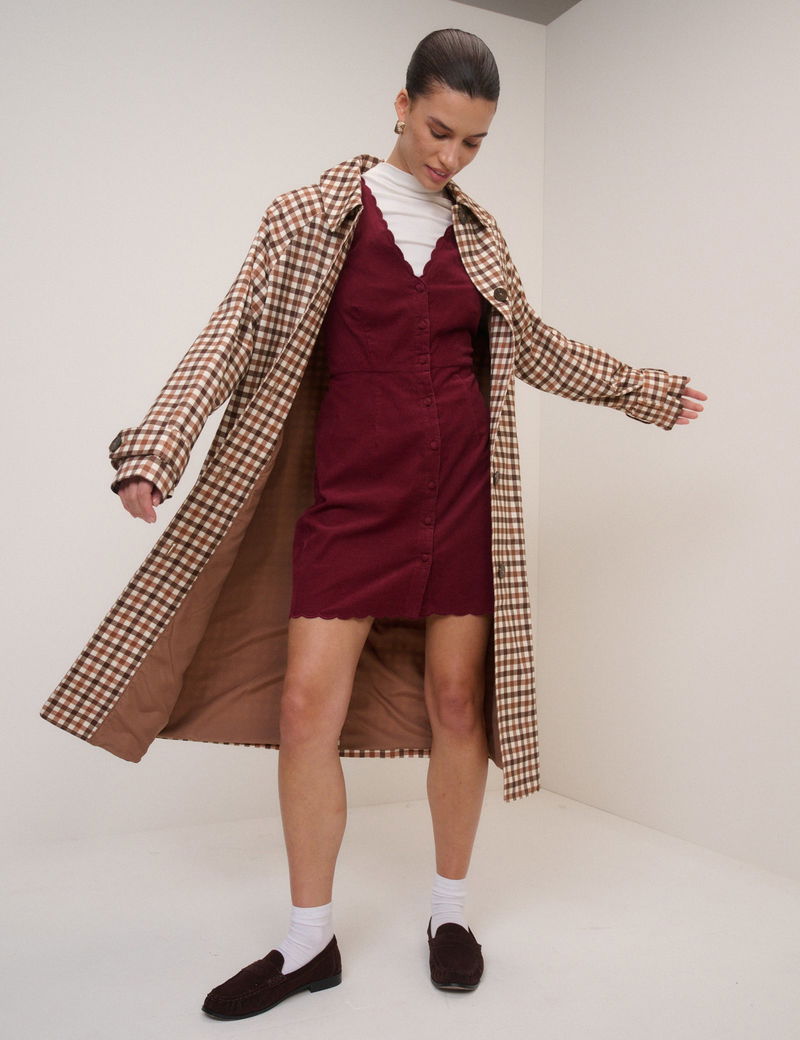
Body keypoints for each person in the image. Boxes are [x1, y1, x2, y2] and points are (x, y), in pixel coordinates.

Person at [43, 28, 706, 1020]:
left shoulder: (480, 238)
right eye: (438, 130)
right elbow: (229, 335)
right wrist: (155, 448)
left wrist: (641, 389)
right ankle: (308, 940)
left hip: (460, 498)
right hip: (352, 501)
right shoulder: (309, 216)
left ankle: (449, 914)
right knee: (303, 708)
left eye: (473, 142)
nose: (451, 157)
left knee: (456, 703)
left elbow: (534, 347)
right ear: (400, 105)